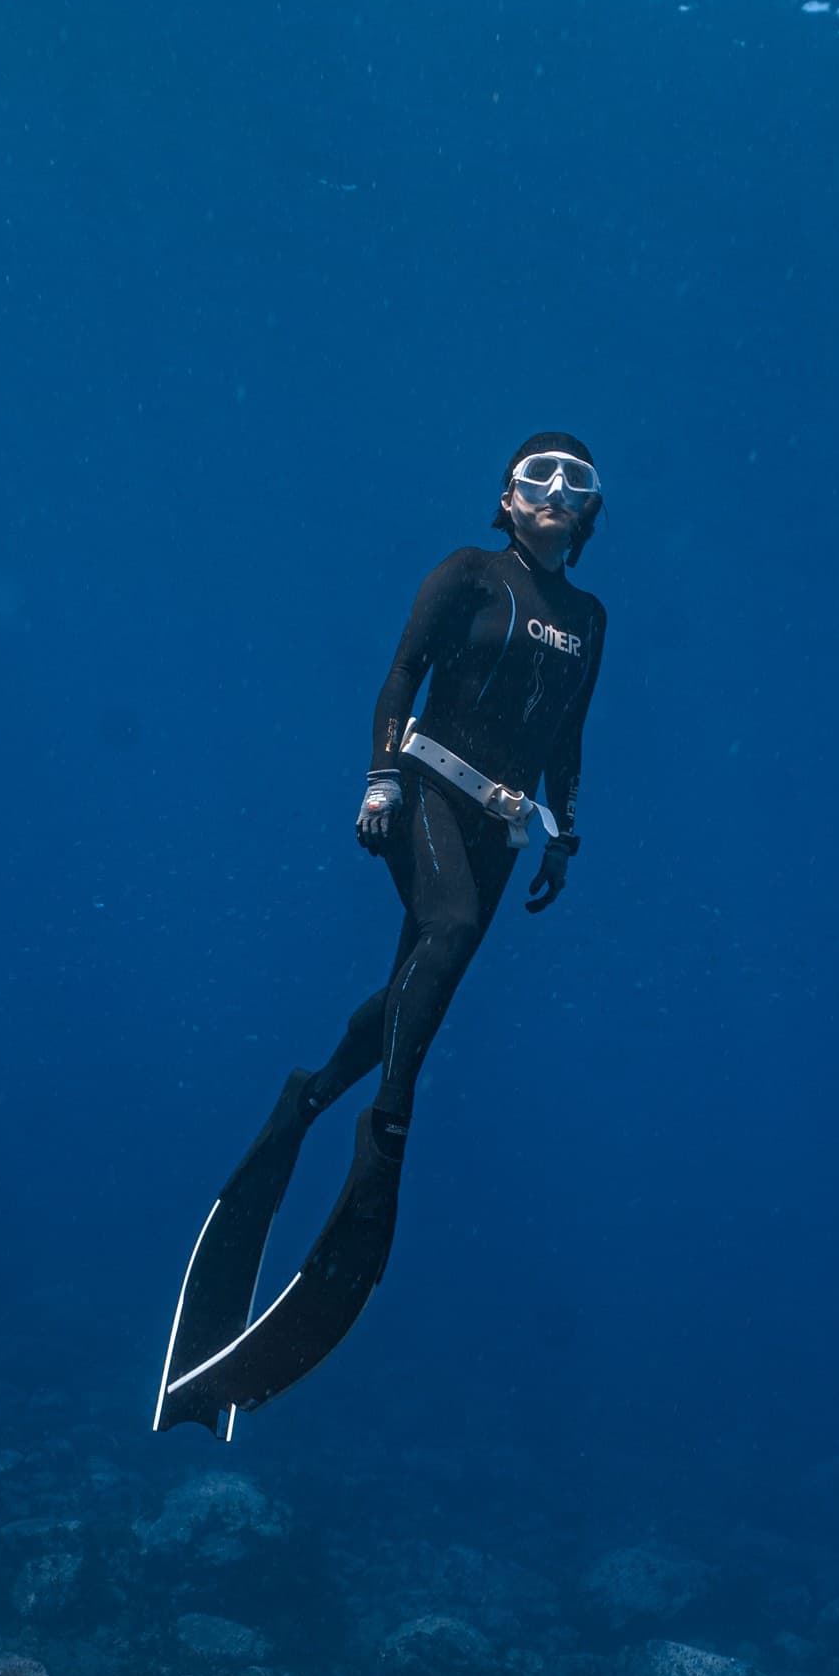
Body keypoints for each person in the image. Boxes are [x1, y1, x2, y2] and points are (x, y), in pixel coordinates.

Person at [155, 434, 608, 1430]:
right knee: (441, 935)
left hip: (499, 826)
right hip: (425, 797)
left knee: (419, 991)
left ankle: (306, 1098)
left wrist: (562, 838)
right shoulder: (468, 571)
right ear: (505, 497)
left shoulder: (587, 617)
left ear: (592, 509)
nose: (556, 496)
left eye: (577, 484)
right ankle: (382, 1135)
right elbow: (402, 675)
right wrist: (379, 778)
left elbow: (567, 736)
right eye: (539, 479)